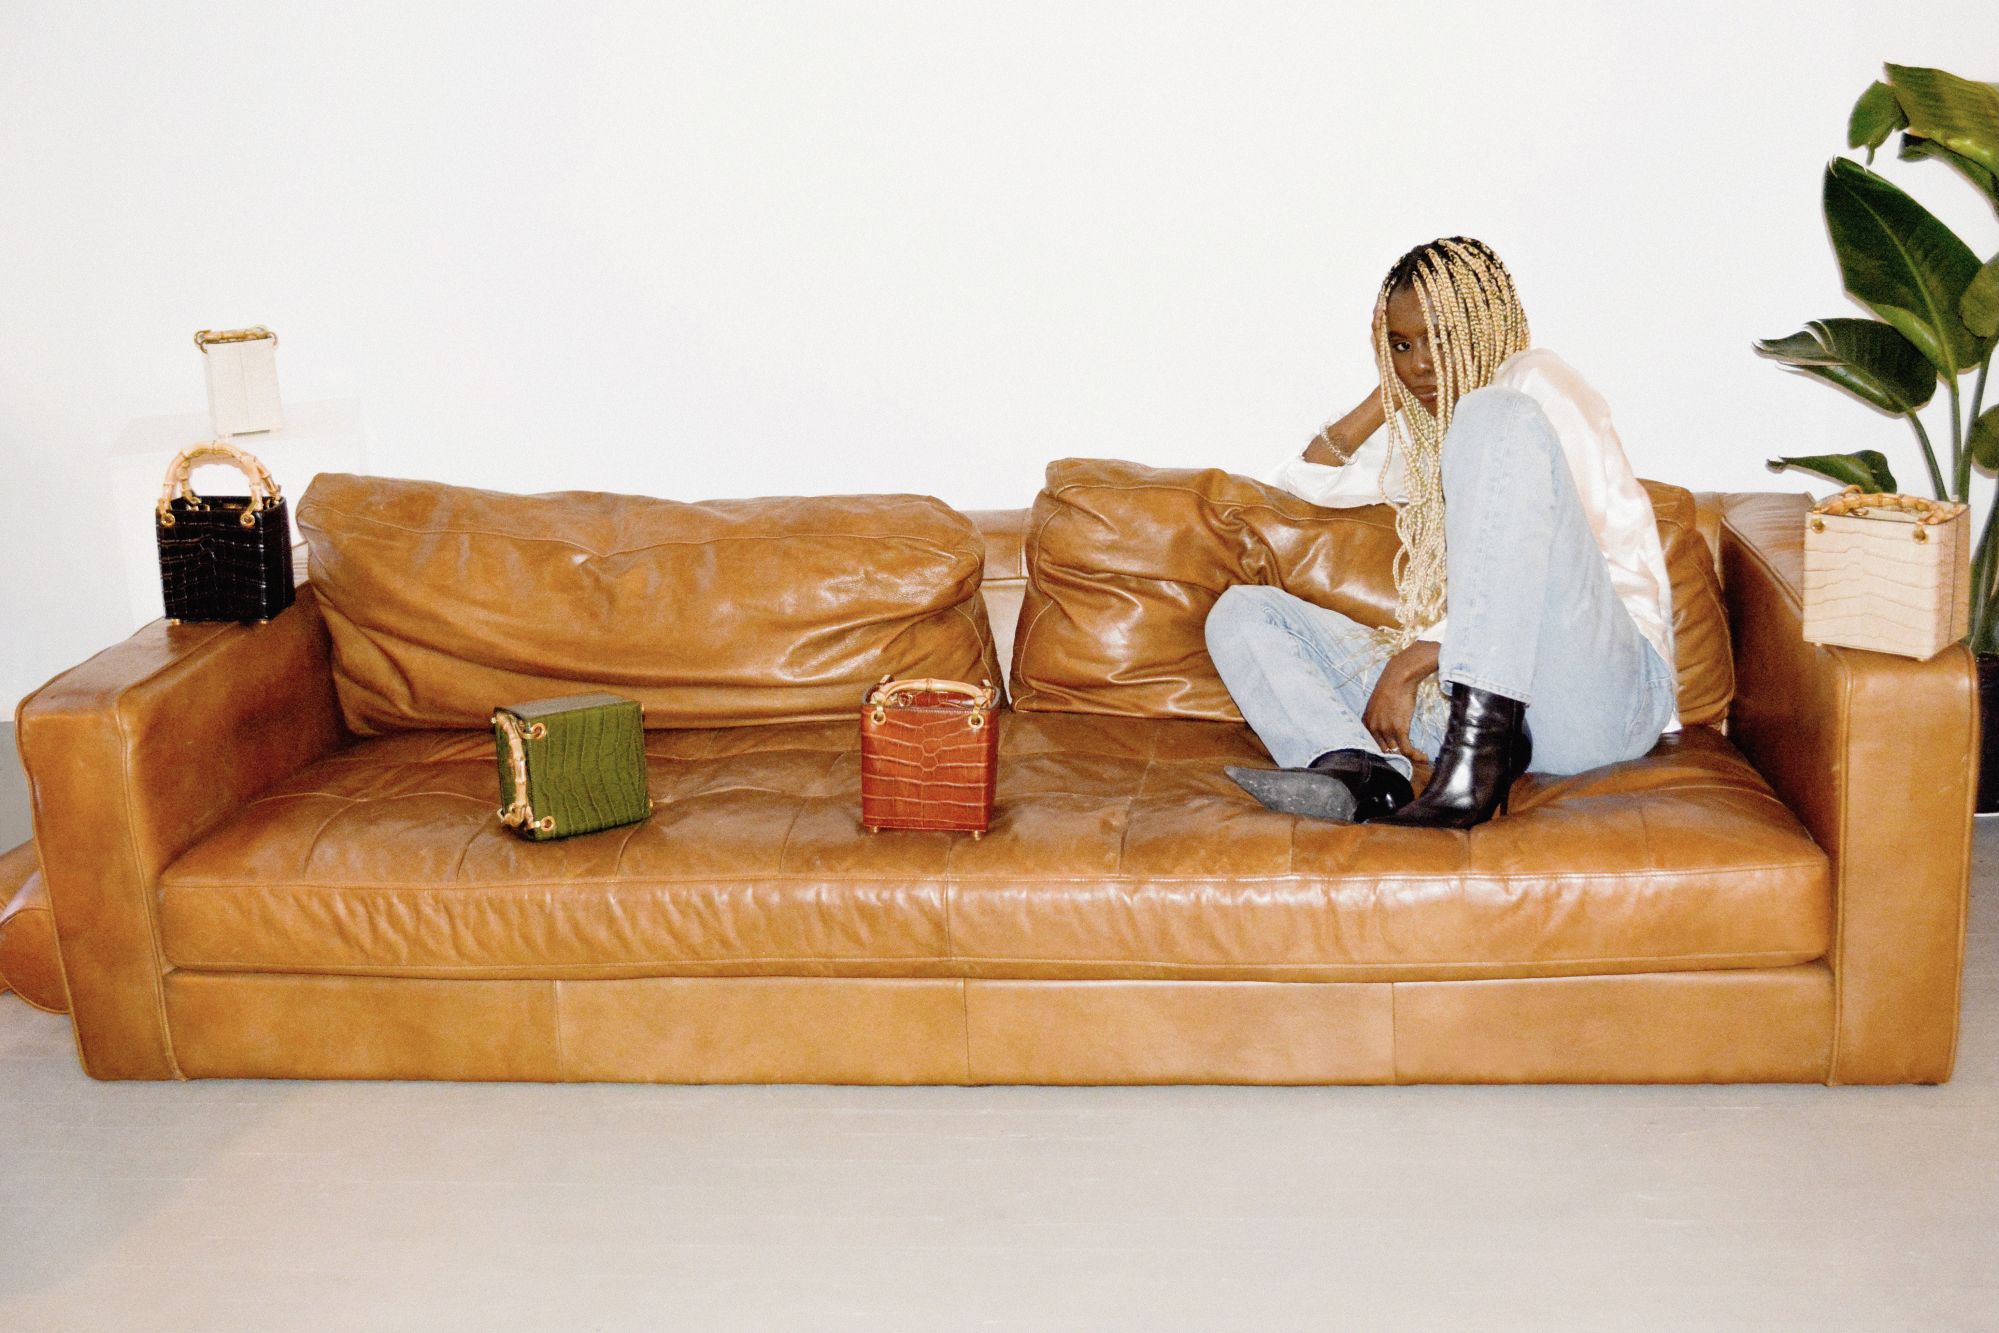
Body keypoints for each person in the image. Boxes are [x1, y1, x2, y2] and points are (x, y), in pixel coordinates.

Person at [1205, 237, 1679, 829]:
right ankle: (1360, 774)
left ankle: (1471, 778)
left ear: (1483, 327)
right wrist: (1391, 387)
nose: (1421, 363)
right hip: (1483, 718)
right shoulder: (1434, 432)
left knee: (1490, 413)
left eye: (1440, 337)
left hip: (1597, 701)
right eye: (1402, 344)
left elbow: (1552, 565)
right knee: (1245, 612)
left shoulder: (1531, 391)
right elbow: (1301, 482)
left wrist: (1413, 661)